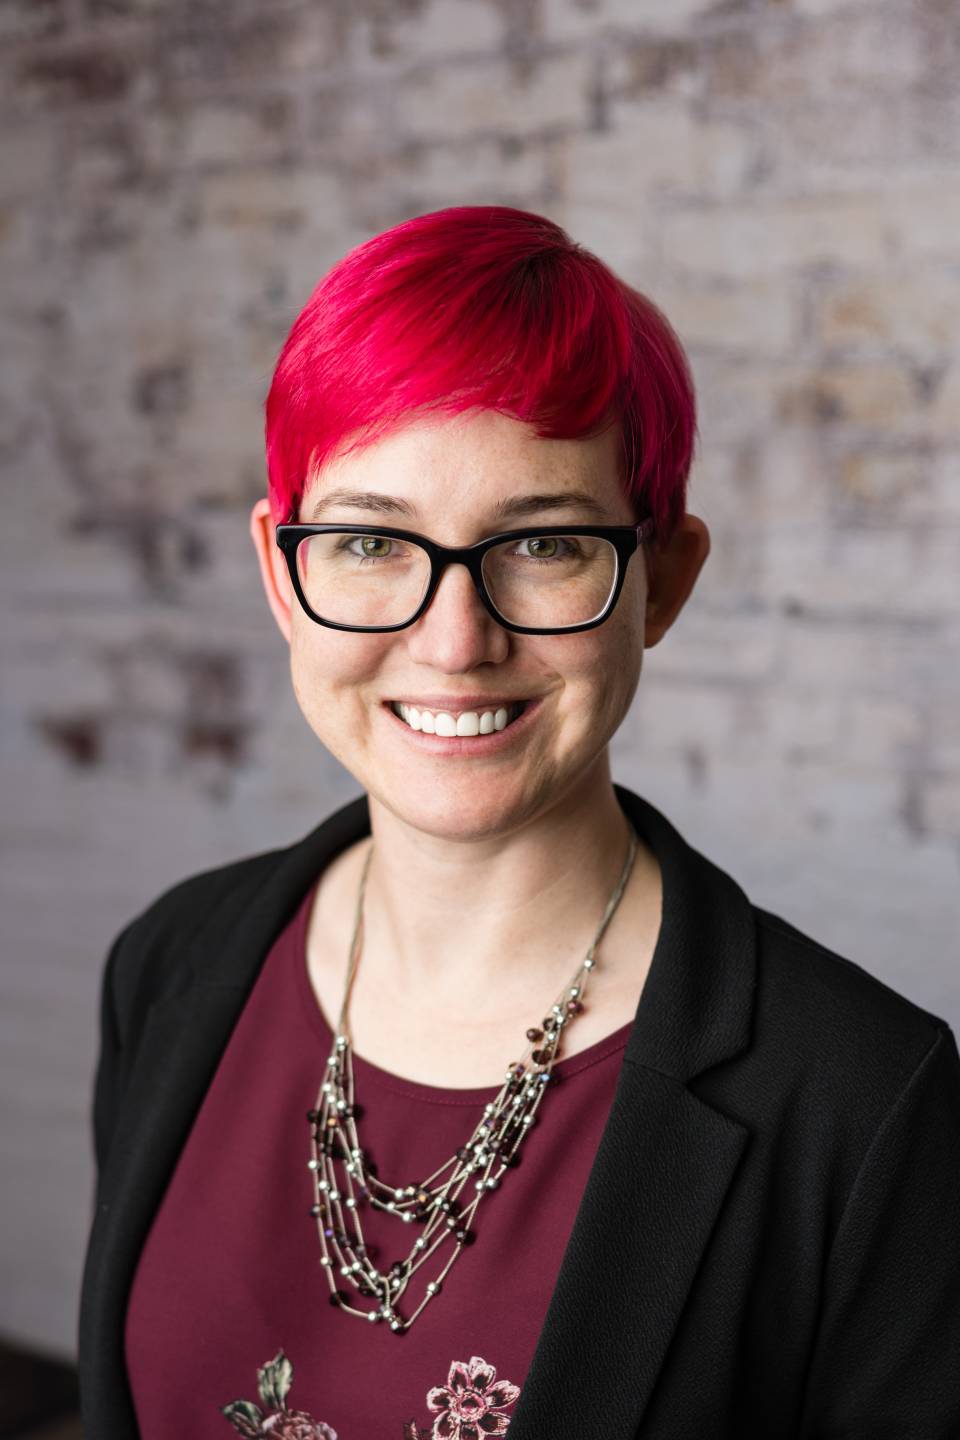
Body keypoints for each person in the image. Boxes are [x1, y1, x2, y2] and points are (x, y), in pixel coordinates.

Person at [78, 205, 960, 1440]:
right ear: (283, 575)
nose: (454, 642)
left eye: (543, 542)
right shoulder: (168, 965)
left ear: (664, 580)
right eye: (373, 540)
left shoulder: (862, 1101)